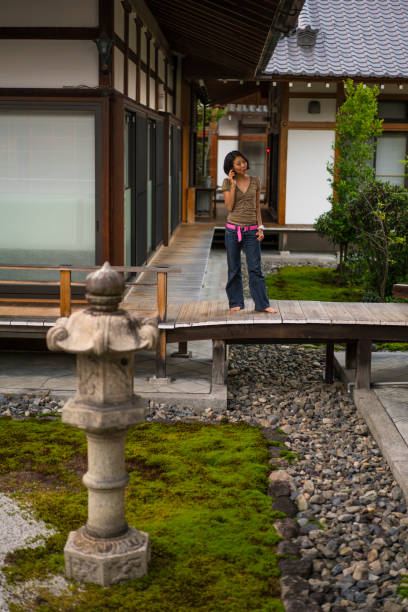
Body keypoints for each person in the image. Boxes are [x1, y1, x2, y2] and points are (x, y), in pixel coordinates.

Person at [221, 150, 277, 313]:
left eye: (243, 162)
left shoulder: (255, 181)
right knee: (234, 268)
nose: (243, 165)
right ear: (231, 167)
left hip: (252, 231)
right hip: (232, 231)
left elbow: (257, 207)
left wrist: (260, 228)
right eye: (238, 164)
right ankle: (235, 302)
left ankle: (262, 304)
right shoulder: (226, 182)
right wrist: (232, 185)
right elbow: (229, 207)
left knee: (255, 268)